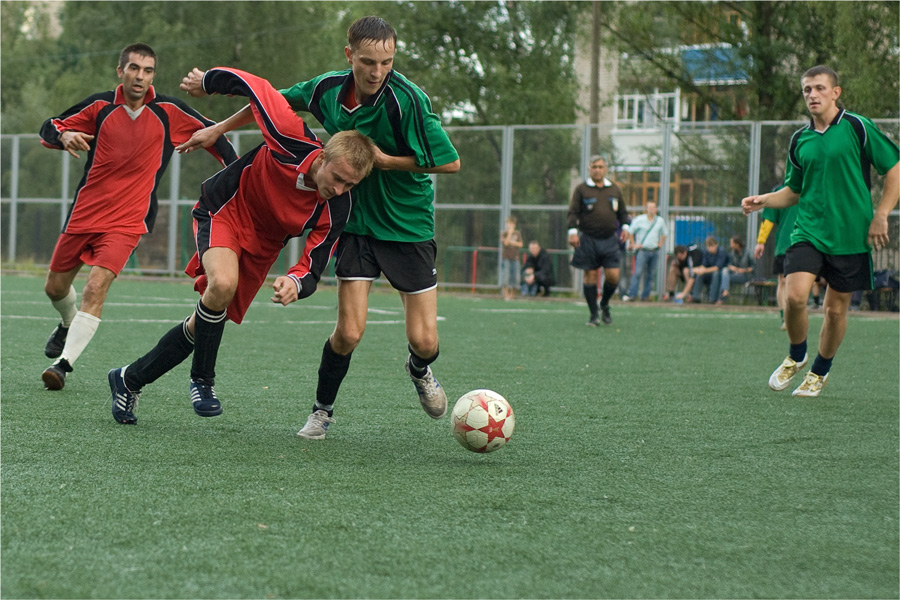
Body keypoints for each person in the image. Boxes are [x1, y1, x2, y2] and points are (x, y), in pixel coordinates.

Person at [178, 16, 460, 438]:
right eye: (367, 61)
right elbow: (270, 102)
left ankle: (419, 368)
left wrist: (384, 162)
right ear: (350, 56)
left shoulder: (410, 101)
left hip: (408, 225)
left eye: (386, 62)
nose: (377, 72)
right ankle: (322, 411)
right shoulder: (327, 88)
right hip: (355, 222)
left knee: (425, 341)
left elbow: (450, 161)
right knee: (348, 332)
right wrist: (217, 128)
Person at [107, 67, 376, 425]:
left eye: (350, 185)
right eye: (338, 178)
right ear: (323, 157)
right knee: (222, 285)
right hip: (226, 211)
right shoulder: (289, 137)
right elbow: (256, 86)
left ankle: (128, 379)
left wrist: (294, 282)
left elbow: (314, 264)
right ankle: (202, 381)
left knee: (201, 321)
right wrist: (207, 83)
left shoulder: (338, 205)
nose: (340, 189)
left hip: (262, 248)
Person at [37, 43, 238, 391]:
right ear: (120, 71)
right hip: (84, 214)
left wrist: (236, 179)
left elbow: (215, 137)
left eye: (147, 71)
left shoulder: (169, 111)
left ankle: (63, 364)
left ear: (153, 76)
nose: (139, 77)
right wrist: (65, 134)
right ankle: (68, 323)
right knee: (54, 287)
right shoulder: (99, 106)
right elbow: (50, 126)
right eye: (133, 68)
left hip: (128, 220)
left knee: (95, 287)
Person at [741, 65, 899, 397]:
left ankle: (819, 371)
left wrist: (881, 214)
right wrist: (763, 199)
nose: (812, 95)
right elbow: (793, 190)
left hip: (851, 235)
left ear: (835, 92)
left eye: (819, 88)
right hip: (808, 231)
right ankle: (796, 355)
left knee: (834, 309)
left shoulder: (857, 127)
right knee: (796, 296)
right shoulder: (800, 139)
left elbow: (894, 169)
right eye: (807, 90)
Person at [568, 155, 630, 326]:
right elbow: (573, 212)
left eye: (600, 167)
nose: (597, 170)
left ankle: (604, 303)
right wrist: (572, 232)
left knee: (613, 276)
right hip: (588, 238)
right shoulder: (582, 189)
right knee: (590, 276)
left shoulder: (614, 189)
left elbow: (623, 213)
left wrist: (625, 228)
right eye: (594, 166)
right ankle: (593, 315)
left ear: (606, 169)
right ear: (589, 169)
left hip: (610, 239)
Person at [755, 191, 799, 329]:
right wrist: (761, 241)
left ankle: (796, 315)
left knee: (799, 282)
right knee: (784, 280)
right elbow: (769, 218)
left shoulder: (810, 187)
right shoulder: (780, 193)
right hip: (784, 245)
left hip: (805, 244)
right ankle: (785, 317)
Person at [623, 201, 668, 301]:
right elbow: (630, 231)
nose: (651, 209)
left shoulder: (660, 221)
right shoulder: (640, 220)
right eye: (649, 207)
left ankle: (645, 296)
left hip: (654, 251)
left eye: (653, 207)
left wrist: (660, 243)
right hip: (642, 250)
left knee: (651, 274)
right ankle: (632, 294)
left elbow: (665, 233)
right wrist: (634, 244)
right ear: (646, 209)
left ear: (656, 209)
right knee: (638, 272)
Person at [691, 235, 729, 304]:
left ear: (716, 245)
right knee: (700, 275)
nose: (709, 248)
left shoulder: (721, 251)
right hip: (709, 272)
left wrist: (704, 271)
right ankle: (695, 297)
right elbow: (704, 265)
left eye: (711, 246)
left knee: (716, 273)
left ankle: (712, 299)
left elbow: (717, 267)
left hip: (720, 274)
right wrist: (700, 270)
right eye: (708, 246)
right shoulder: (706, 252)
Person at [500, 215, 524, 300]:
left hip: (515, 258)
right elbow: (505, 243)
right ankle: (506, 295)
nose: (510, 225)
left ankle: (512, 295)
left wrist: (511, 242)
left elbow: (520, 244)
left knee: (516, 277)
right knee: (505, 276)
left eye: (511, 224)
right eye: (508, 223)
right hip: (506, 258)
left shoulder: (517, 233)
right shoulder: (503, 233)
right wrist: (510, 234)